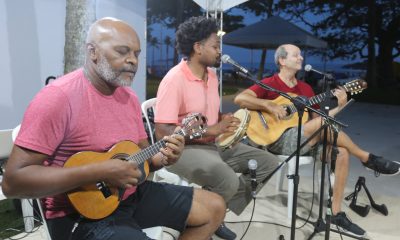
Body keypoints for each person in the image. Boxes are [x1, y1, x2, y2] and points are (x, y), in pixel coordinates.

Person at [2, 17, 226, 240]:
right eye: (122, 52)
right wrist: (101, 172)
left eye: (136, 54)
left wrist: (166, 157)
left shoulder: (128, 96)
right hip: (79, 215)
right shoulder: (58, 98)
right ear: (93, 52)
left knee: (215, 207)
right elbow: (13, 183)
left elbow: (143, 158)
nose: (132, 61)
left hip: (128, 196)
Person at [234, 44, 400, 237]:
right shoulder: (269, 83)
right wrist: (268, 105)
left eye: (301, 55)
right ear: (282, 60)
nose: (301, 58)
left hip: (306, 137)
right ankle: (367, 158)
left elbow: (320, 122)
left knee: (342, 153)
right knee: (326, 129)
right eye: (296, 55)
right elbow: (240, 99)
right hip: (276, 139)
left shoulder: (305, 88)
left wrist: (340, 104)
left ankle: (336, 213)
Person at [154, 16, 280, 240]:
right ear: (198, 48)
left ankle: (213, 213)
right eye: (215, 46)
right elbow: (162, 132)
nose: (220, 51)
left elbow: (211, 115)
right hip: (183, 151)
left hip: (214, 145)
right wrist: (210, 131)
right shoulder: (174, 79)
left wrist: (226, 120)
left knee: (268, 163)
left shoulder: (212, 76)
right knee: (228, 180)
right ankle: (203, 221)